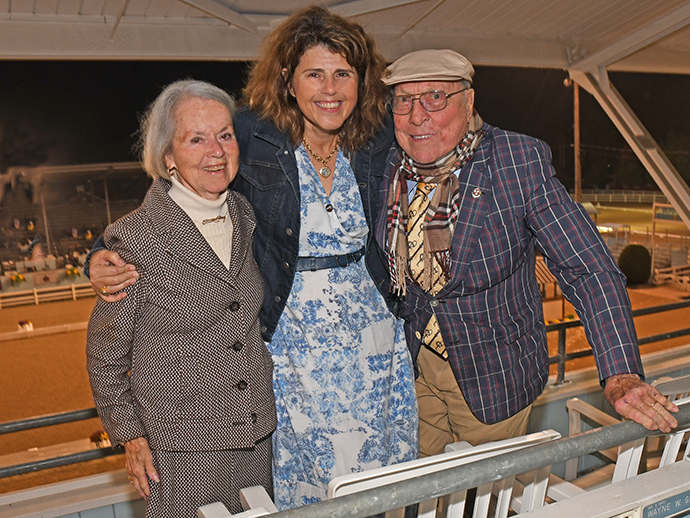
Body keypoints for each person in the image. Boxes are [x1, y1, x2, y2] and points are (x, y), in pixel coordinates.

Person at [86, 7, 418, 511]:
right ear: (287, 79)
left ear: (361, 80)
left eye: (342, 73)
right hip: (293, 353)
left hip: (376, 347)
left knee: (378, 489)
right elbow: (181, 175)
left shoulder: (375, 136)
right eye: (313, 73)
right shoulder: (250, 132)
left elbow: (441, 137)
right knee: (307, 494)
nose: (329, 89)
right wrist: (99, 254)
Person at [375, 49, 679, 456]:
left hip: (494, 377)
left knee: (482, 500)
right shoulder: (385, 167)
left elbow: (588, 268)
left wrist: (621, 372)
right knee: (421, 496)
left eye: (434, 97)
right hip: (414, 374)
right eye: (403, 100)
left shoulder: (517, 161)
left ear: (468, 102)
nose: (417, 116)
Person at [86, 79, 276, 517]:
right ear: (168, 156)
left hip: (256, 436)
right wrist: (132, 437)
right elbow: (105, 356)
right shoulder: (136, 238)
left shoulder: (244, 214)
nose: (217, 150)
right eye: (196, 138)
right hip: (182, 454)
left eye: (225, 135)